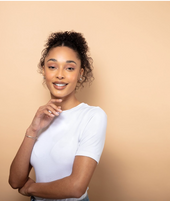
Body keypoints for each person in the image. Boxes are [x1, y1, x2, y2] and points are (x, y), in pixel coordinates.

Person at [9, 31, 107, 201]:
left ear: (81, 73)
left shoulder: (93, 116)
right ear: (43, 70)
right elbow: (15, 180)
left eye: (69, 68)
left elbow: (76, 187)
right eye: (52, 66)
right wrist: (33, 129)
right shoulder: (42, 118)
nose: (60, 74)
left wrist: (31, 188)